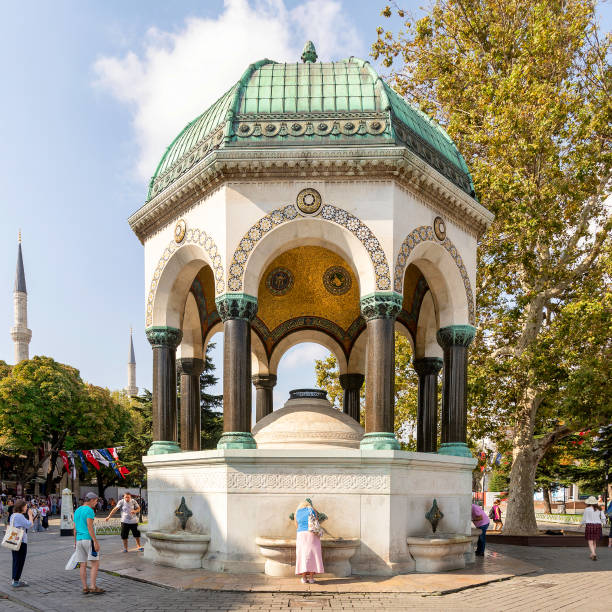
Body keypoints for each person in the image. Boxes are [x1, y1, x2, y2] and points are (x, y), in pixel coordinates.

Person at [74, 492, 104, 594]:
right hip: (88, 539)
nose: (96, 503)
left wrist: (75, 541)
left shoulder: (77, 510)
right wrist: (95, 541)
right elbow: (89, 527)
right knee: (95, 563)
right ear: (91, 500)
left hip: (79, 540)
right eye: (96, 501)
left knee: (82, 564)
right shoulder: (90, 510)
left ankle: (85, 587)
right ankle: (93, 586)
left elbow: (74, 528)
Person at [294, 498, 324, 584]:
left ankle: (303, 578)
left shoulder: (297, 512)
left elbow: (296, 525)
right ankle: (311, 578)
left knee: (302, 555)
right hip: (312, 534)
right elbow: (316, 522)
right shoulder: (312, 510)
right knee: (313, 555)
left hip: (301, 534)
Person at [9, 499, 35, 588]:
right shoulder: (19, 516)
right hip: (21, 541)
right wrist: (30, 515)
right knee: (20, 560)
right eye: (26, 507)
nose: (26, 508)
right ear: (22, 507)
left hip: (14, 540)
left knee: (16, 560)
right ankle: (16, 581)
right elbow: (29, 525)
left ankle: (15, 579)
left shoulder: (13, 515)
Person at [580, 496, 606, 561]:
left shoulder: (587, 509)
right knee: (594, 541)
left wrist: (581, 524)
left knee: (590, 541)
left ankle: (594, 553)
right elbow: (603, 517)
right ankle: (592, 554)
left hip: (589, 526)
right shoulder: (599, 509)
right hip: (598, 526)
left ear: (589, 502)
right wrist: (604, 523)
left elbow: (584, 518)